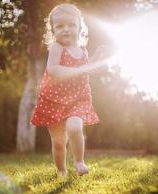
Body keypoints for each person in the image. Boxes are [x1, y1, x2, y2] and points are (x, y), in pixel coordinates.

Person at [30, 3, 107, 177]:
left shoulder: (83, 51)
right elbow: (53, 70)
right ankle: (61, 171)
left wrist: (96, 59)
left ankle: (79, 161)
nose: (66, 29)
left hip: (78, 98)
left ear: (80, 28)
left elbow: (87, 68)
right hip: (54, 100)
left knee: (74, 127)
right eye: (60, 26)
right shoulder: (57, 48)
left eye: (71, 25)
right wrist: (79, 70)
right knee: (58, 142)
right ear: (53, 30)